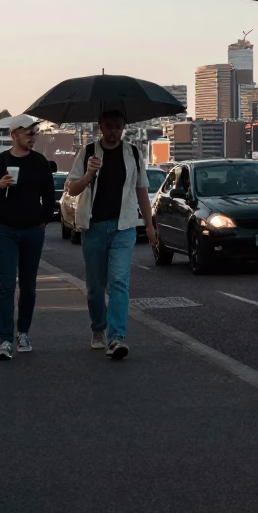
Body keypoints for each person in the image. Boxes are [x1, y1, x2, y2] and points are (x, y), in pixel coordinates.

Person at [65, 111, 156, 360]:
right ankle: (98, 328)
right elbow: (72, 189)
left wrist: (149, 226)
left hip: (123, 227)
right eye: (109, 126)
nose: (114, 131)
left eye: (118, 126)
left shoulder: (133, 153)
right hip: (93, 227)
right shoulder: (87, 152)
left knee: (119, 282)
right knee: (95, 288)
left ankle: (116, 338)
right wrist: (88, 174)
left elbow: (141, 190)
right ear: (100, 126)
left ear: (124, 127)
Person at [0, 118, 54, 361]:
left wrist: (42, 221)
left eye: (36, 133)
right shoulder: (0, 161)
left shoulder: (40, 162)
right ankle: (5, 340)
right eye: (29, 133)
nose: (33, 137)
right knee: (6, 286)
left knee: (29, 287)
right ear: (14, 134)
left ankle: (23, 333)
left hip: (33, 230)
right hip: (4, 230)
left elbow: (49, 196)